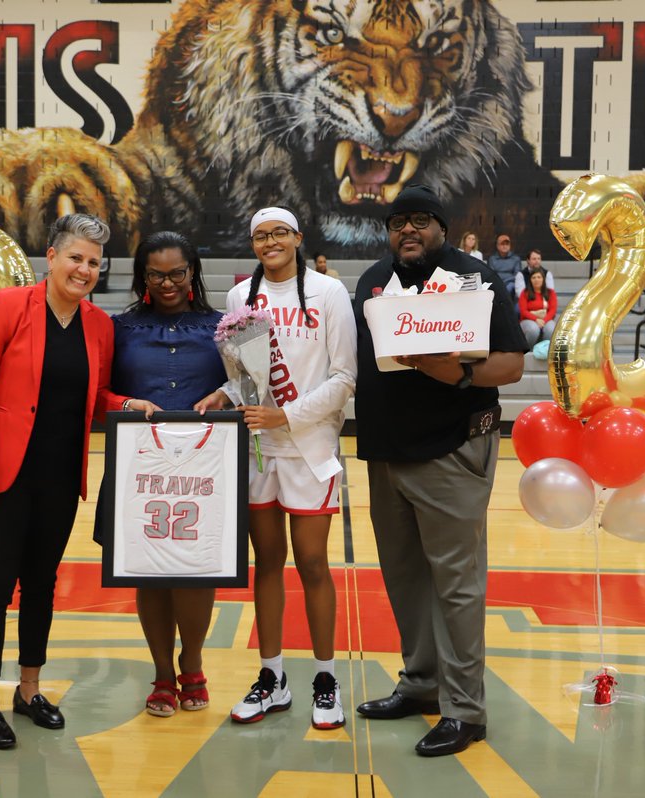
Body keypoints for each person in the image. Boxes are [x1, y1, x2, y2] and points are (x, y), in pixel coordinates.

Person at [0, 214, 152, 751]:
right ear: (52, 257)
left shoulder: (98, 326)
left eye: (93, 262)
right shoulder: (7, 307)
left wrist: (127, 404)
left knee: (43, 586)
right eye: (76, 258)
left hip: (61, 477)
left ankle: (30, 689)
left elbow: (96, 397)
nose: (84, 270)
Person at [352, 185, 526, 757]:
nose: (408, 230)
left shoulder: (476, 280)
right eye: (398, 221)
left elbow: (509, 364)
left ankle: (465, 710)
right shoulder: (374, 281)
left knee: (456, 585)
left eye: (421, 221)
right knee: (405, 579)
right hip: (386, 453)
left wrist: (448, 372)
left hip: (451, 451)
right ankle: (422, 684)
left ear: (441, 229)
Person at [196, 207, 357, 731]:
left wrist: (286, 413)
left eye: (280, 233)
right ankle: (273, 677)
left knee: (312, 563)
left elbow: (345, 379)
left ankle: (326, 679)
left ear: (297, 238)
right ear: (252, 244)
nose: (271, 241)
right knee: (266, 562)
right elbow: (244, 375)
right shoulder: (240, 297)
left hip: (310, 447)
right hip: (259, 448)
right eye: (261, 236)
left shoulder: (330, 293)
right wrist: (225, 394)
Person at [97, 230, 228, 718]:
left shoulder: (228, 326)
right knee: (147, 572)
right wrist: (127, 403)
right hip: (139, 469)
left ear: (192, 272)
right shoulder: (118, 329)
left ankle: (191, 662)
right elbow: (97, 394)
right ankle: (161, 673)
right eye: (157, 274)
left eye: (177, 272)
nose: (168, 283)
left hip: (206, 470)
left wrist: (229, 395)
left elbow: (257, 387)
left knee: (197, 573)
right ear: (142, 277)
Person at [518, 268, 557, 348]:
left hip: (546, 319)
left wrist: (544, 321)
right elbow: (523, 311)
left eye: (539, 277)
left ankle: (545, 350)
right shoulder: (525, 292)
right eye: (534, 277)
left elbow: (553, 310)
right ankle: (528, 350)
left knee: (551, 329)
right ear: (530, 280)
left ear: (543, 279)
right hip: (528, 320)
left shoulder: (550, 292)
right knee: (533, 329)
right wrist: (536, 319)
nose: (536, 280)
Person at [486, 234, 522, 302]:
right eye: (502, 244)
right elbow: (491, 275)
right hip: (497, 283)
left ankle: (507, 309)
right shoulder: (492, 259)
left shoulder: (516, 258)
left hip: (510, 283)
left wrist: (505, 282)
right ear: (497, 246)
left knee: (509, 287)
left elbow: (517, 275)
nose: (505, 246)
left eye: (507, 244)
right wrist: (500, 283)